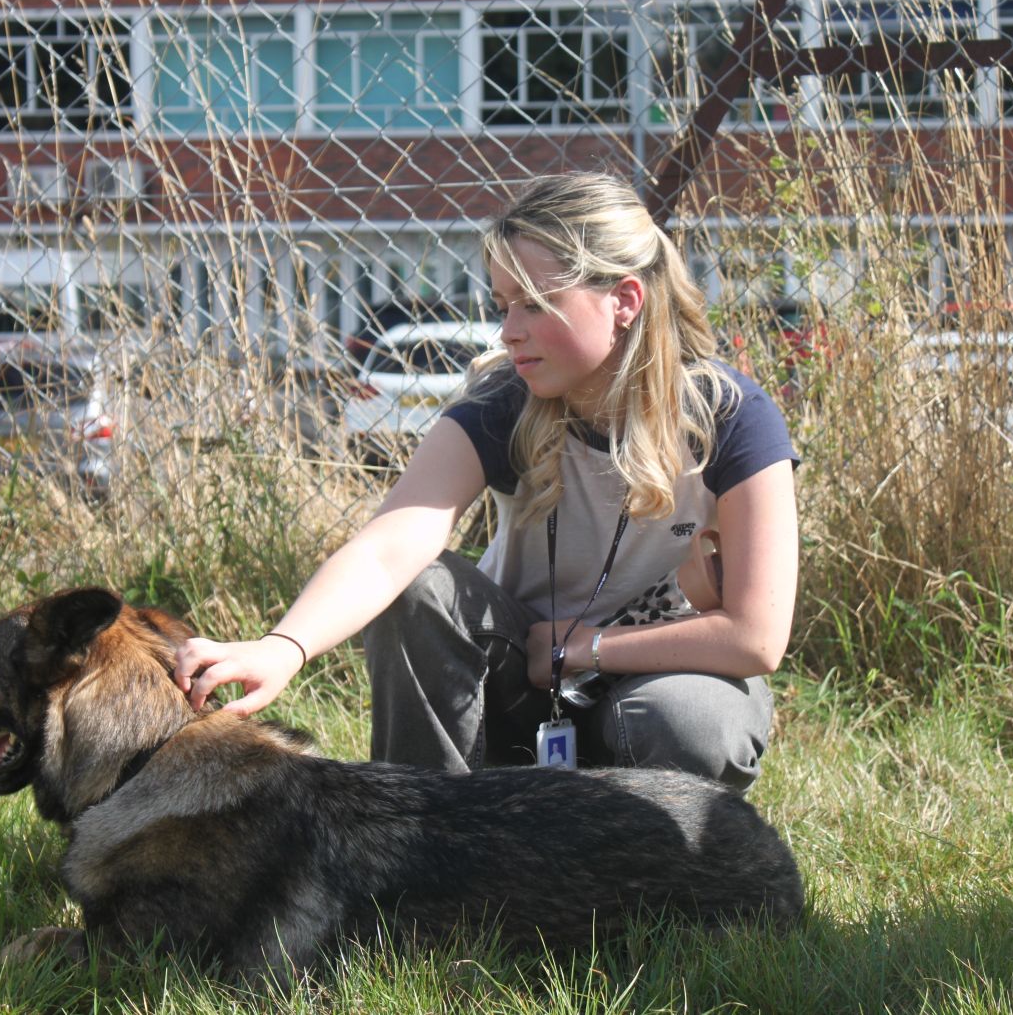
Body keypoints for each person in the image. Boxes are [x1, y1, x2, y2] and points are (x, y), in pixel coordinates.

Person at [174, 172, 799, 792]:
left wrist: (588, 647)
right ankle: (423, 838)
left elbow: (755, 637)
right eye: (503, 306)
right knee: (419, 587)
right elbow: (389, 550)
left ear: (625, 300)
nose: (509, 330)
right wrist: (282, 648)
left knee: (690, 722)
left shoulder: (731, 416)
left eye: (535, 302)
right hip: (519, 682)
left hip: (661, 676)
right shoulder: (507, 399)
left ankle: (643, 861)